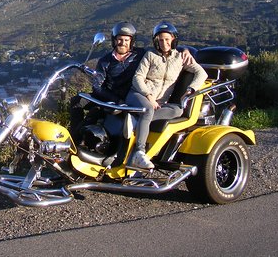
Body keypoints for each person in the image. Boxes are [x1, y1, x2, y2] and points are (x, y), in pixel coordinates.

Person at [69, 21, 193, 136]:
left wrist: (184, 50)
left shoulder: (139, 55)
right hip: (109, 96)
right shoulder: (105, 61)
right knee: (77, 100)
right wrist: (116, 100)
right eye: (120, 39)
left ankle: (80, 140)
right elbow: (97, 86)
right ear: (114, 40)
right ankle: (73, 136)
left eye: (126, 40)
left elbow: (164, 47)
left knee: (94, 115)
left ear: (132, 41)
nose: (123, 43)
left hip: (129, 96)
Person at [125, 21, 208, 170]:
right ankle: (139, 153)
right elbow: (137, 77)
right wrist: (148, 95)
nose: (164, 43)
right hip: (138, 94)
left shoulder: (180, 58)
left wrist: (191, 90)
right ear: (156, 41)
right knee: (148, 109)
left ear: (173, 40)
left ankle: (137, 120)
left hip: (160, 102)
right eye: (161, 40)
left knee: (177, 110)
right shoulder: (150, 55)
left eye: (167, 39)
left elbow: (202, 73)